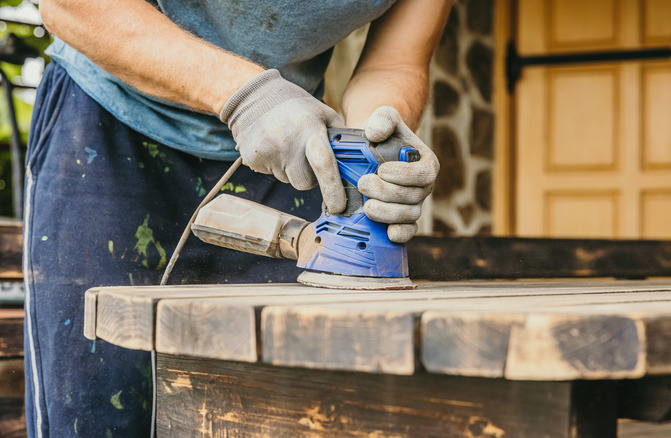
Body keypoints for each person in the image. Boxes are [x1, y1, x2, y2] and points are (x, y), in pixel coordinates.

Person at [24, 0, 452, 436]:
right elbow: (70, 6)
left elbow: (395, 62)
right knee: (98, 406)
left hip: (289, 145)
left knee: (273, 413)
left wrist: (375, 149)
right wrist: (249, 96)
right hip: (109, 126)